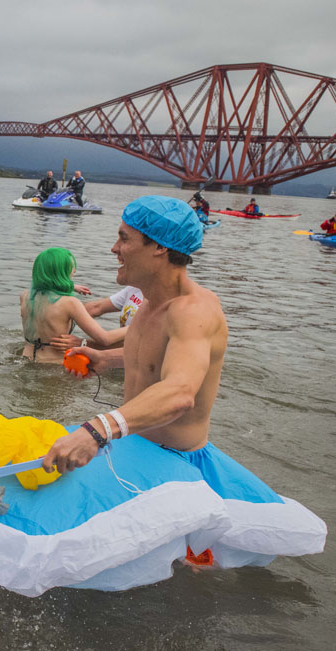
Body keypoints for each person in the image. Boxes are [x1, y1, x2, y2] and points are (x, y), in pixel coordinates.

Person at [43, 195, 225, 474]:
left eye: (124, 239)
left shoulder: (194, 311)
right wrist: (106, 359)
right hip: (136, 446)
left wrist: (97, 430)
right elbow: (155, 355)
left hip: (175, 463)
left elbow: (179, 392)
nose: (114, 248)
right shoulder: (150, 301)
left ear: (160, 247)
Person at [20, 247, 126, 362]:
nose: (74, 271)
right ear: (62, 272)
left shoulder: (26, 296)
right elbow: (105, 339)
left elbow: (45, 289)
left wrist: (71, 286)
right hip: (54, 366)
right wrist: (134, 327)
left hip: (27, 359)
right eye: (71, 268)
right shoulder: (70, 303)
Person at [49, 285, 144, 351]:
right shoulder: (135, 288)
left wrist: (84, 344)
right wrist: (57, 312)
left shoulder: (157, 302)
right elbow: (96, 308)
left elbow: (135, 346)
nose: (117, 255)